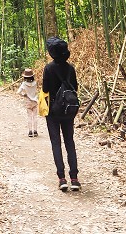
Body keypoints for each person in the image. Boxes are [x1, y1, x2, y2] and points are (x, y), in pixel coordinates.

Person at [42, 36, 81, 191]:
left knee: (56, 143)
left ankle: (62, 178)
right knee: (69, 142)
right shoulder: (70, 68)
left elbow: (45, 89)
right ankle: (75, 178)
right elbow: (75, 88)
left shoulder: (49, 68)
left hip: (53, 111)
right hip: (68, 111)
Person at [17, 67, 38, 137]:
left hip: (28, 101)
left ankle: (30, 132)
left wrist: (24, 95)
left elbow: (18, 92)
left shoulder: (24, 84)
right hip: (35, 101)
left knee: (29, 117)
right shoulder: (35, 83)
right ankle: (35, 131)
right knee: (35, 116)